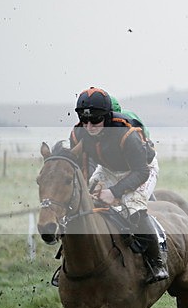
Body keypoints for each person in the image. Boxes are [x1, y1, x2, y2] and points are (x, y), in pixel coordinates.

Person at [69, 86, 167, 283]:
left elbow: (141, 172)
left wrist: (114, 192)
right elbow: (81, 167)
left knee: (133, 208)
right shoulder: (78, 133)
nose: (89, 126)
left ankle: (157, 262)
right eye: (84, 120)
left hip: (141, 168)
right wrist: (87, 190)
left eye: (95, 120)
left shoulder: (126, 133)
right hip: (107, 168)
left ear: (107, 116)